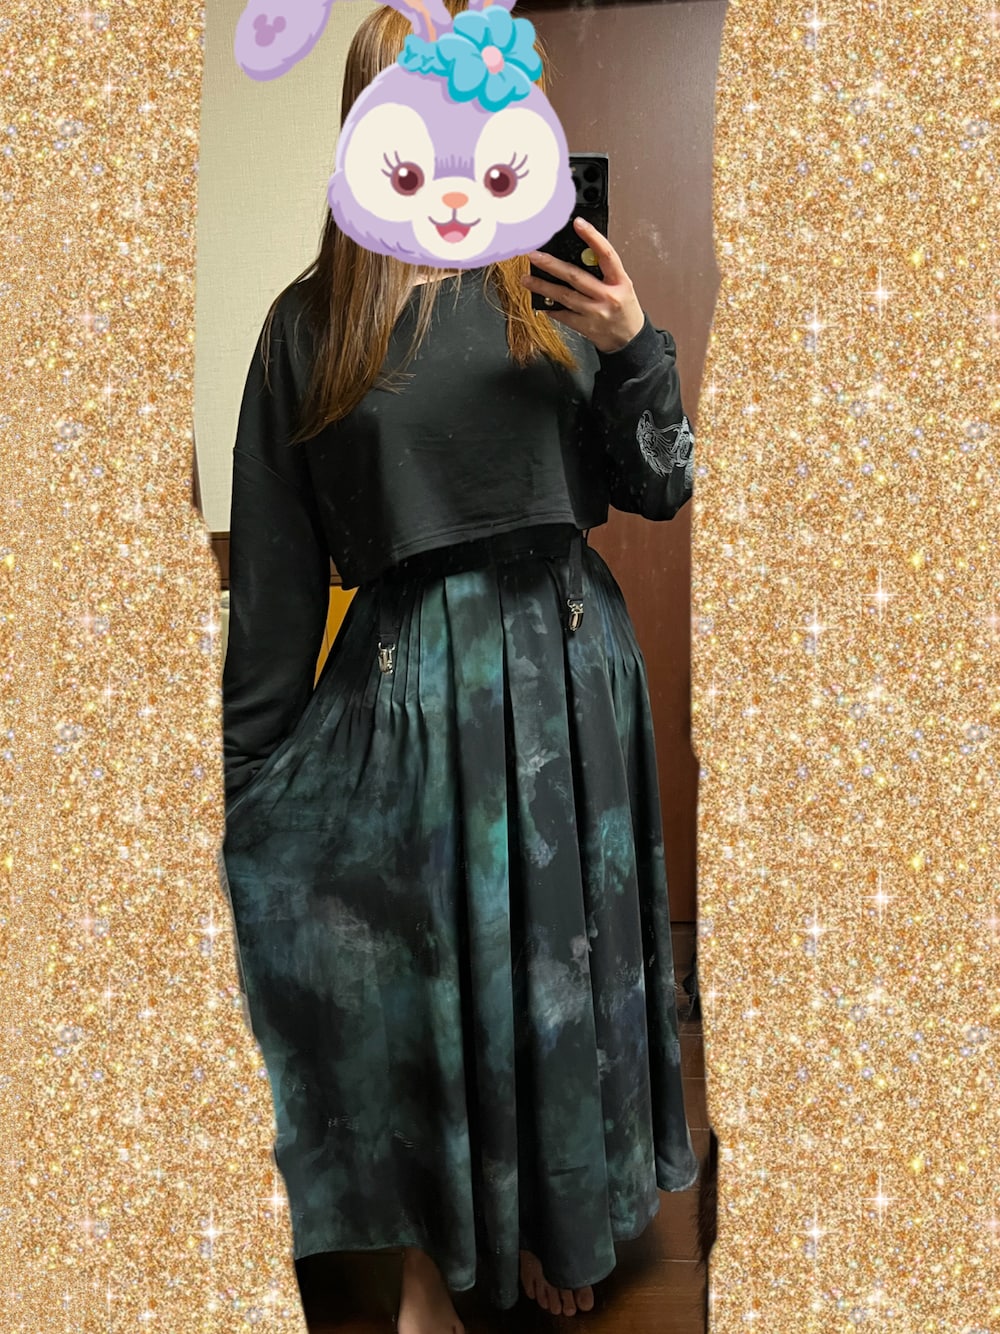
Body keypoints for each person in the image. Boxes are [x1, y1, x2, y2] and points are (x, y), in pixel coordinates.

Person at [220, 4, 699, 1330]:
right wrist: (240, 786)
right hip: (410, 697)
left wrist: (633, 345)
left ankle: (561, 1218)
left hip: (568, 678)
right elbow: (274, 587)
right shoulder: (309, 327)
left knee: (561, 970)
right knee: (430, 982)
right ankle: (441, 1251)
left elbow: (661, 484)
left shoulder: (545, 286)